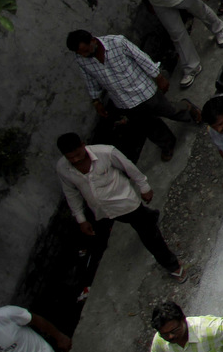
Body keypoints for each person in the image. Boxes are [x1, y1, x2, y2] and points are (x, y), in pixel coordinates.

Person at [56, 134, 185, 279]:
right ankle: (150, 216)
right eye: (70, 158)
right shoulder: (62, 168)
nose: (76, 160)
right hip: (103, 210)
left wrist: (144, 187)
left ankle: (172, 265)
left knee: (150, 237)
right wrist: (81, 219)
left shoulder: (106, 153)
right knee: (143, 220)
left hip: (125, 202)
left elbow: (128, 167)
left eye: (78, 154)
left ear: (83, 144)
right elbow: (71, 193)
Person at [69, 30, 200, 163]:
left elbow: (141, 58)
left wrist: (158, 76)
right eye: (80, 53)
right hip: (123, 101)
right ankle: (167, 143)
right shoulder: (82, 60)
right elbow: (90, 80)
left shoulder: (117, 42)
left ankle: (187, 108)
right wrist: (96, 101)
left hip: (143, 89)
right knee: (147, 125)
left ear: (93, 41)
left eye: (85, 50)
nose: (83, 55)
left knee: (169, 110)